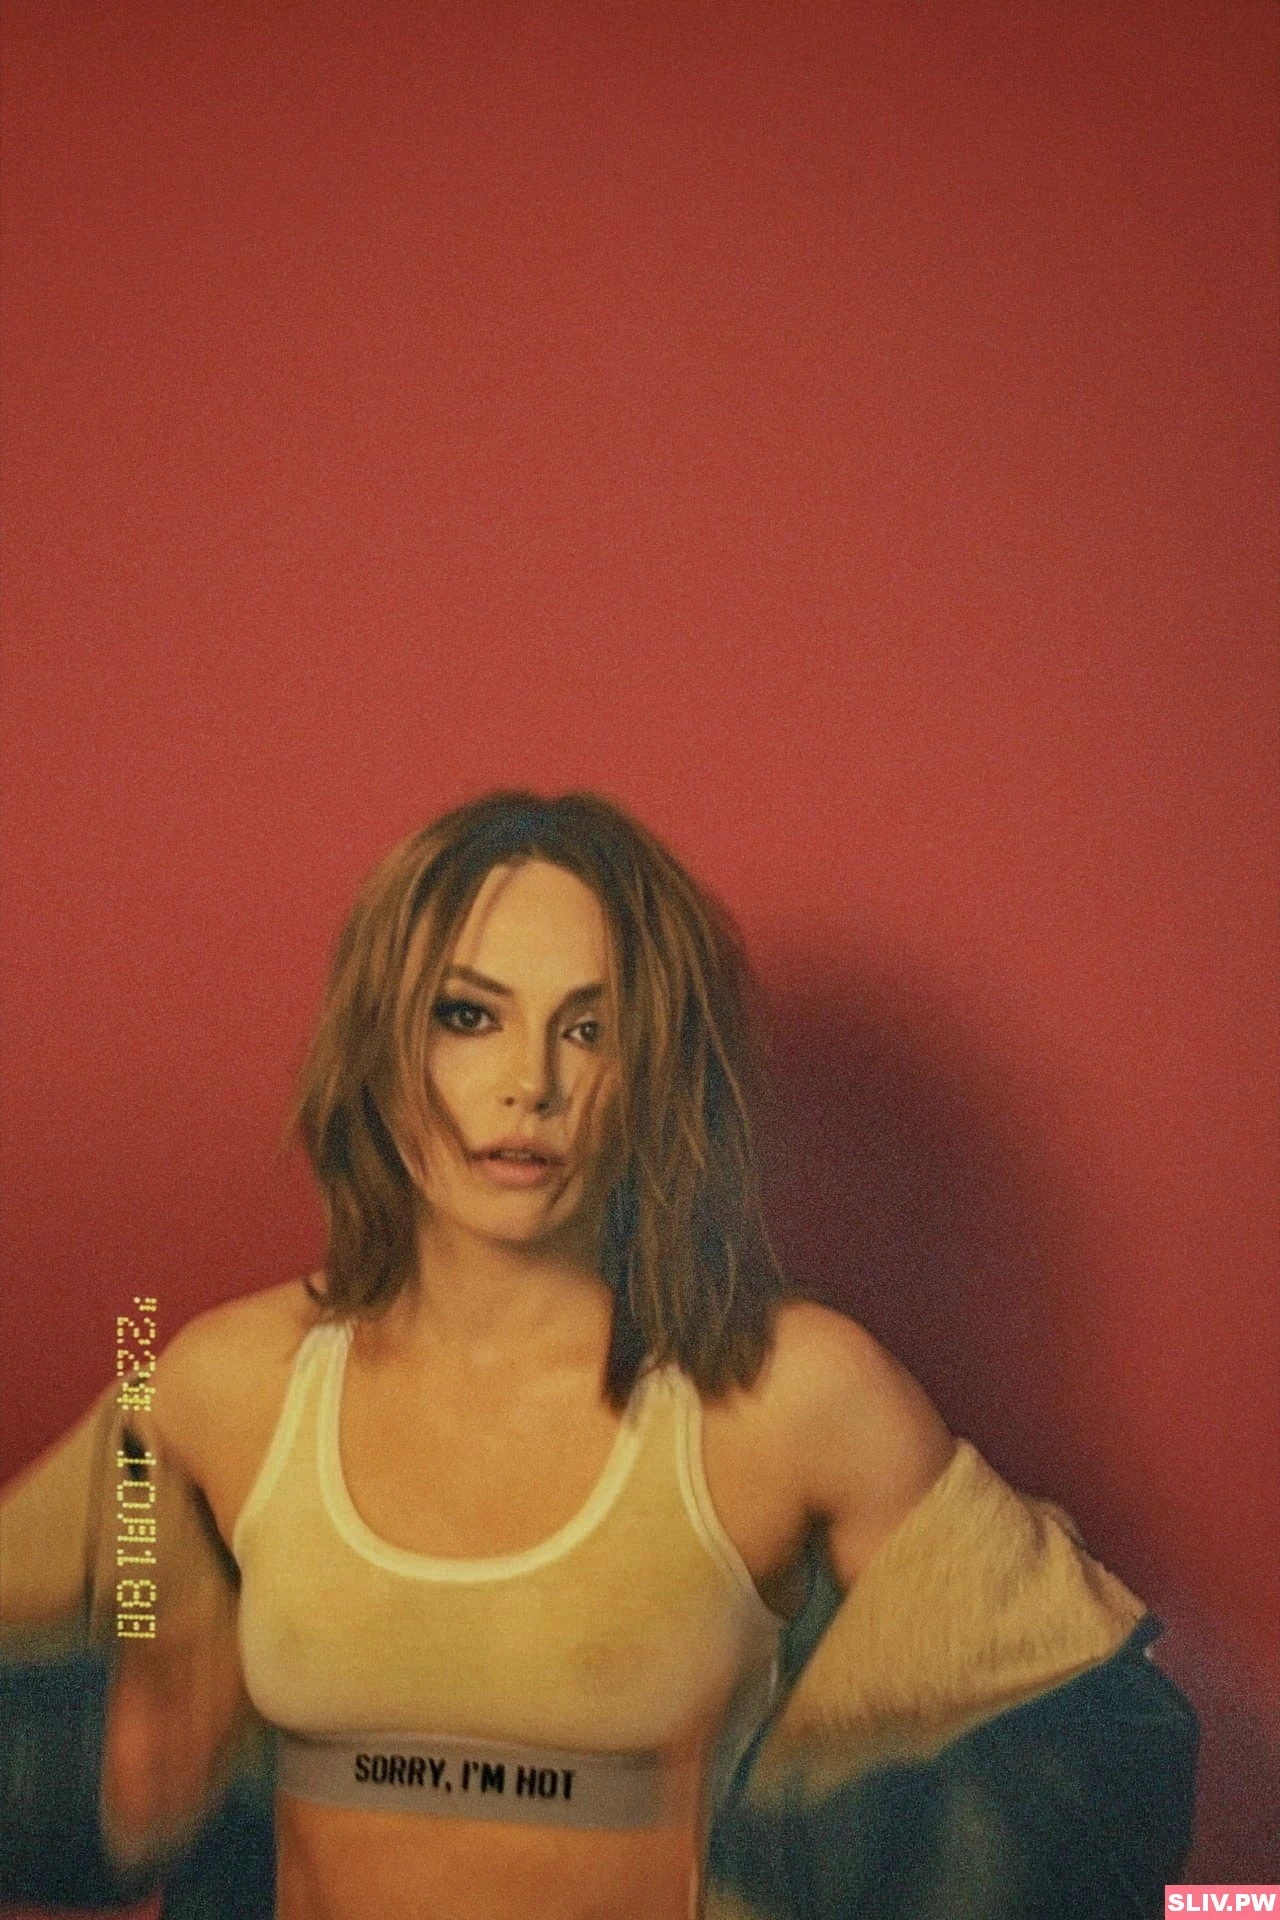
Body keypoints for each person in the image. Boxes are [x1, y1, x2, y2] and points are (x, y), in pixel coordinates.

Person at [0, 789, 1196, 1919]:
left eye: (592, 1028)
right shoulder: (215, 1385)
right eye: (466, 1016)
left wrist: (827, 1854)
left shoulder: (790, 1392)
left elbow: (1089, 1752)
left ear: (657, 1068)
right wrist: (123, 1755)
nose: (530, 1084)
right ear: (377, 1044)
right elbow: (97, 1710)